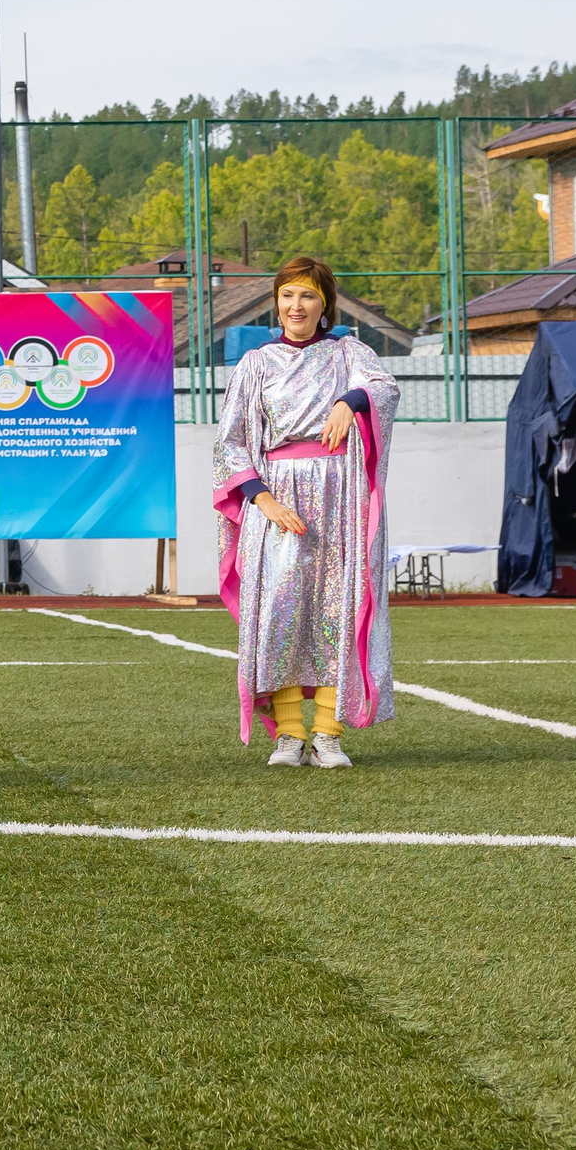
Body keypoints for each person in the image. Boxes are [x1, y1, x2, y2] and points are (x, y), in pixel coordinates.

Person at [215, 256, 400, 768]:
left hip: (340, 497)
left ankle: (328, 734)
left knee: (338, 610)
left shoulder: (347, 353)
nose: (296, 306)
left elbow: (384, 387)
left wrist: (351, 400)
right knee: (280, 614)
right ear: (276, 303)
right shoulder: (256, 364)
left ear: (325, 305)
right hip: (277, 499)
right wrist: (264, 500)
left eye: (308, 296)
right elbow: (231, 441)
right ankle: (290, 735)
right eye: (288, 295)